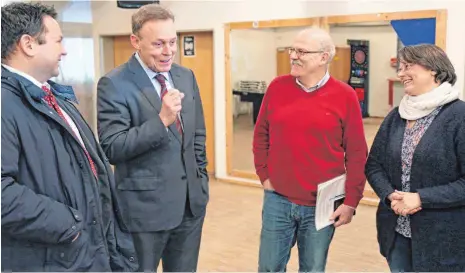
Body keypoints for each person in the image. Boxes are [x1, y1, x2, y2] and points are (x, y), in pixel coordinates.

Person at [1, 2, 138, 272]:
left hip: (85, 251)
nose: (64, 50)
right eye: (58, 41)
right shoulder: (5, 103)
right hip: (56, 254)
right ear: (28, 44)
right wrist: (71, 223)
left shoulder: (52, 96)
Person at [96, 4, 208, 272]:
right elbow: (113, 147)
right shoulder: (114, 83)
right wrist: (161, 122)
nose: (168, 51)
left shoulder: (185, 76)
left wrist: (200, 180)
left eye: (172, 42)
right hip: (144, 211)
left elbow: (197, 134)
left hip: (190, 206)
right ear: (135, 41)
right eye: (158, 44)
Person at [252, 27, 368, 272]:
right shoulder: (277, 87)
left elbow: (357, 152)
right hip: (278, 199)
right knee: (268, 267)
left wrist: (351, 201)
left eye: (301, 51)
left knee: (313, 268)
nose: (293, 56)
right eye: (292, 49)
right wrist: (264, 176)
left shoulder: (345, 95)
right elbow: (261, 133)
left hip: (322, 204)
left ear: (323, 57)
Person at [365, 44, 465, 272]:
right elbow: (374, 164)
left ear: (433, 69)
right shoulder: (396, 116)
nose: (400, 73)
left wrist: (422, 198)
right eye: (400, 68)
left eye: (408, 66)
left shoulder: (459, 116)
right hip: (397, 235)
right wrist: (389, 195)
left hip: (444, 243)